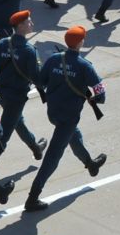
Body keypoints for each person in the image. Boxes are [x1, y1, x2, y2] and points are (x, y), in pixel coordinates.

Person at [22, 25, 106, 212]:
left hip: (53, 112)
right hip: (68, 116)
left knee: (73, 137)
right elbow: (100, 89)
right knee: (53, 155)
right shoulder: (84, 65)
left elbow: (41, 81)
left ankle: (90, 164)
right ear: (81, 42)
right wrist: (96, 99)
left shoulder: (53, 59)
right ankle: (33, 197)